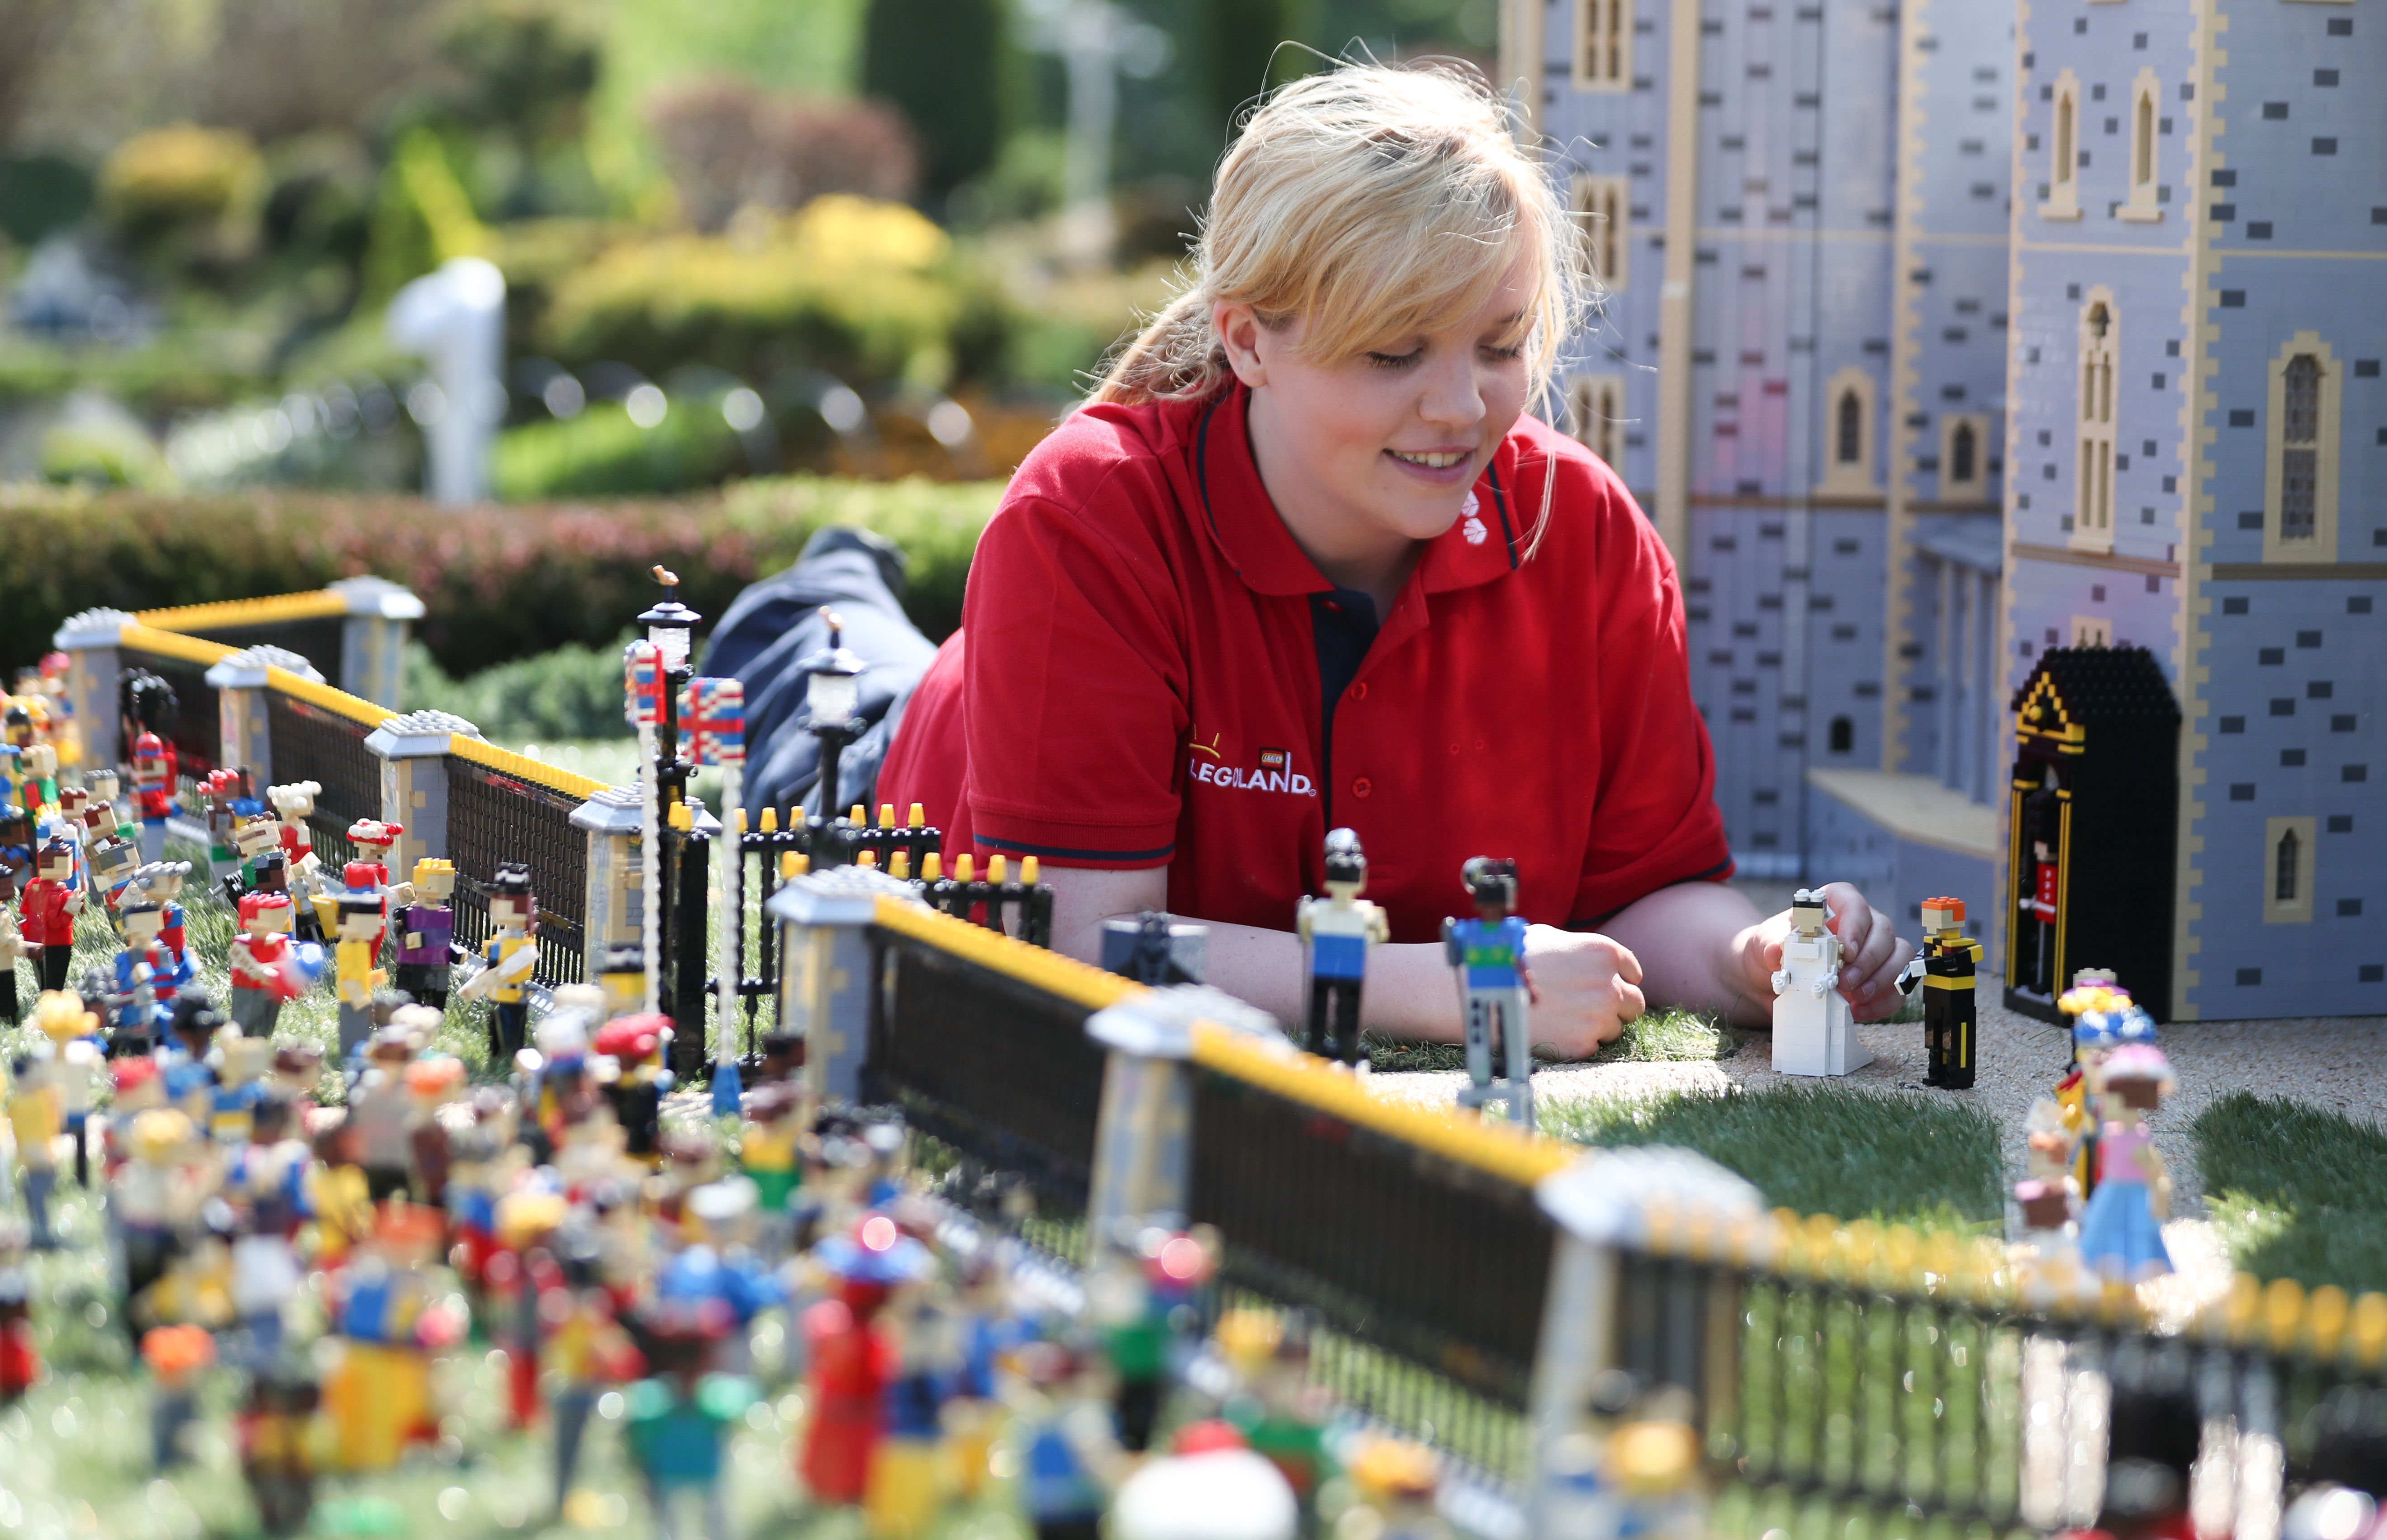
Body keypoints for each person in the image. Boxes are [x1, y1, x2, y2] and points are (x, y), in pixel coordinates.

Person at [704, 63, 1911, 1055]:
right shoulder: (1086, 515)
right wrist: (1461, 985)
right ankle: (827, 584)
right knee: (820, 655)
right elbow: (1078, 944)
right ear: (1248, 342)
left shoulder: (1585, 532)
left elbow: (1650, 890)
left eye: (1499, 345)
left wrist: (1761, 957)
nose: (1461, 408)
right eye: (1393, 355)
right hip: (880, 772)